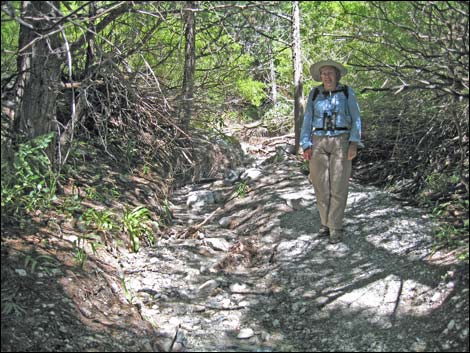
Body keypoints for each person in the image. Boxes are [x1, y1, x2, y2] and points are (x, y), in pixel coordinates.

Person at [300, 59, 363, 244]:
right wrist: (305, 144)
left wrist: (354, 143)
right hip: (318, 141)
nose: (327, 76)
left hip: (341, 141)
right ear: (320, 76)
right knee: (321, 187)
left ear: (336, 75)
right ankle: (324, 223)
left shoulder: (346, 92)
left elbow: (356, 118)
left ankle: (335, 226)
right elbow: (307, 119)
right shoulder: (315, 93)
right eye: (324, 73)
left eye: (330, 73)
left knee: (339, 186)